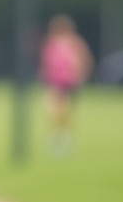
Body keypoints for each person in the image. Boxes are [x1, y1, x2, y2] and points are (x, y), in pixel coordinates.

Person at [39, 13, 93, 155]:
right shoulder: (51, 43)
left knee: (65, 111)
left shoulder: (74, 43)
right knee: (53, 109)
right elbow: (46, 62)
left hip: (68, 81)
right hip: (54, 80)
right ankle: (58, 134)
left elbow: (83, 60)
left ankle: (63, 136)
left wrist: (80, 74)